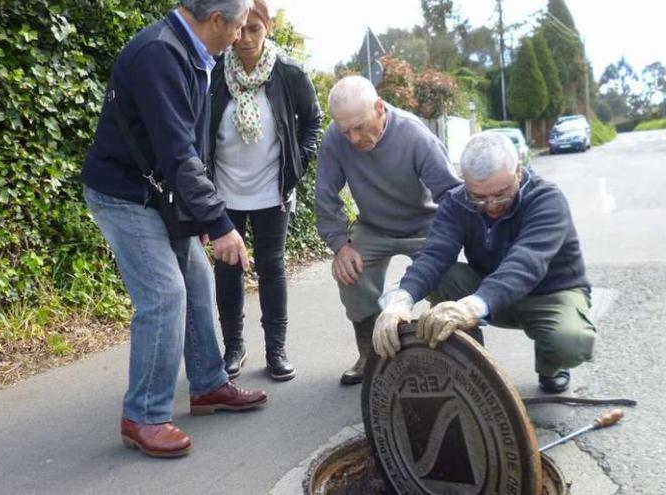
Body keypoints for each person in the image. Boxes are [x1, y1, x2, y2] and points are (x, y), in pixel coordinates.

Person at [81, 0, 268, 459]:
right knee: (165, 295)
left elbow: (187, 147)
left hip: (158, 195)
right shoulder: (159, 55)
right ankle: (143, 415)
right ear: (217, 21)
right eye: (240, 26)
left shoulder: (193, 53)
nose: (243, 36)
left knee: (197, 281)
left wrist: (196, 213)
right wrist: (219, 224)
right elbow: (178, 152)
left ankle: (206, 387)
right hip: (123, 195)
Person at [373, 132, 598, 394]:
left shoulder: (547, 199)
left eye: (501, 194)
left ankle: (552, 366)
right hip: (490, 292)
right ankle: (470, 364)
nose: (491, 206)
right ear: (465, 182)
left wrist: (471, 306)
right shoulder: (457, 202)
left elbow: (526, 263)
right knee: (443, 277)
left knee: (569, 343)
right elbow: (434, 254)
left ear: (518, 172)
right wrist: (400, 300)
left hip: (549, 294)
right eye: (478, 196)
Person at [314, 76, 462, 385]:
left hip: (425, 223)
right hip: (374, 225)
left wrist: (446, 243)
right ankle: (372, 356)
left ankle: (450, 354)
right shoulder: (335, 138)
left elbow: (450, 195)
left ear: (380, 108)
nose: (353, 139)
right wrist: (341, 246)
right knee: (351, 275)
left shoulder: (415, 135)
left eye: (359, 127)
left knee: (446, 277)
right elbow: (325, 197)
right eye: (346, 131)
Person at [208, 0, 322, 382]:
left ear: (267, 29)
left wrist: (298, 164)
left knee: (272, 267)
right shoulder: (213, 72)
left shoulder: (289, 72)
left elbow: (312, 122)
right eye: (241, 30)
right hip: (224, 189)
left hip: (272, 190)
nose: (245, 39)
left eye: (255, 29)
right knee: (227, 269)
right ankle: (233, 347)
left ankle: (276, 348)